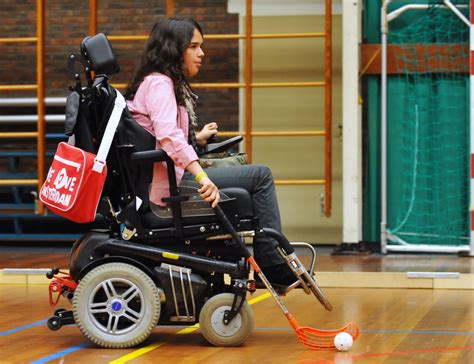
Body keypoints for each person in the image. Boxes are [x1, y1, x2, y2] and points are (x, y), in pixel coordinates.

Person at [124, 17, 295, 286]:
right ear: (173, 49)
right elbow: (168, 136)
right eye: (193, 46)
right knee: (261, 176)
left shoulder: (159, 82)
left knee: (254, 175)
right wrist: (203, 178)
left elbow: (164, 135)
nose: (201, 53)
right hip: (171, 186)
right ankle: (272, 264)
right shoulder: (159, 84)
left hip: (173, 176)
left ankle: (269, 261)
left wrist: (198, 139)